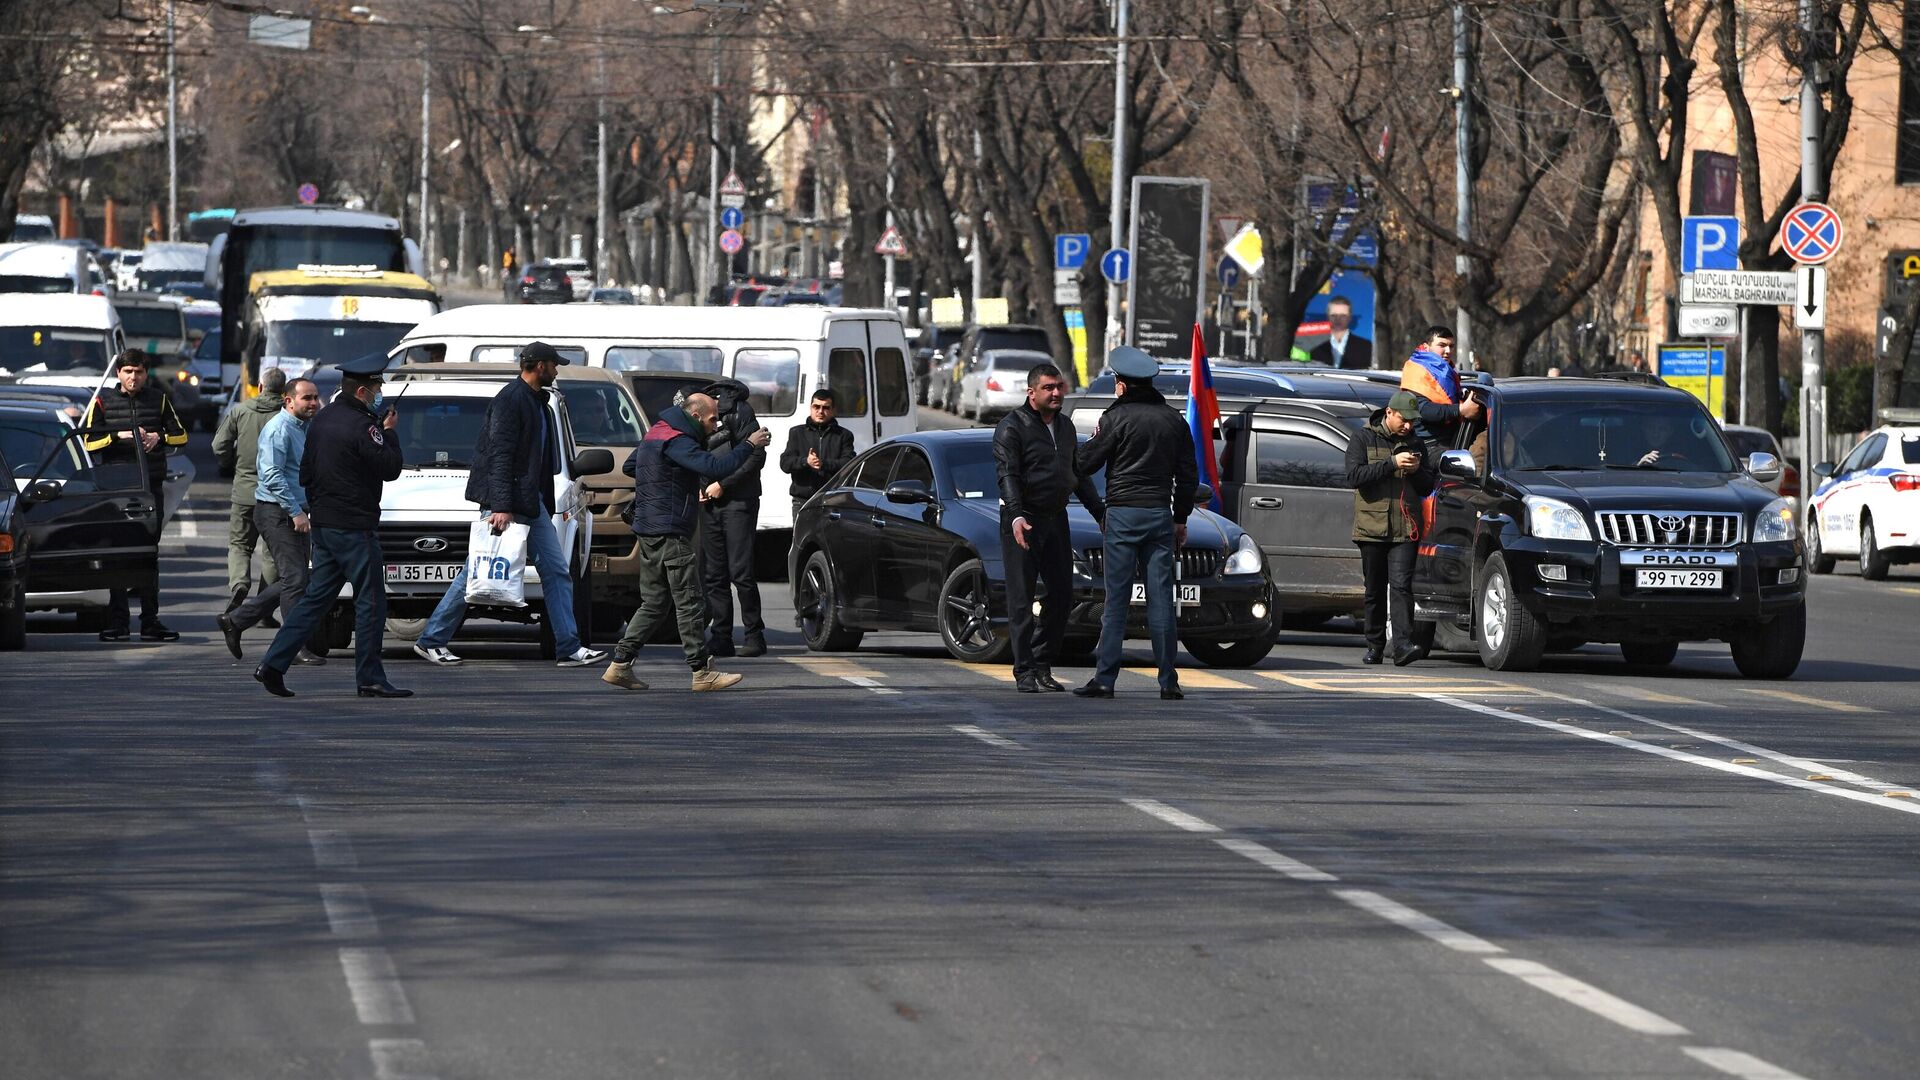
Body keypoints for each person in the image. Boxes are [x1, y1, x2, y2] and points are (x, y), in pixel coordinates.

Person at [411, 342, 608, 669]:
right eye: (553, 365)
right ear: (539, 366)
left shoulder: (538, 403)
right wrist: (501, 506)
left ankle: (569, 648)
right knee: (475, 573)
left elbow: (537, 462)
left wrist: (538, 502)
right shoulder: (510, 401)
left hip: (531, 504)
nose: (557, 370)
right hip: (506, 503)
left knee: (557, 572)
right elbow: (500, 457)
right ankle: (432, 640)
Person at [252, 352, 409, 699]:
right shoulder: (365, 427)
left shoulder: (321, 421)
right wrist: (390, 434)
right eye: (377, 386)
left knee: (315, 599)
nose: (380, 390)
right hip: (354, 527)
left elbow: (305, 473)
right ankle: (370, 677)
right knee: (371, 601)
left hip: (324, 525)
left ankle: (273, 664)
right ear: (363, 392)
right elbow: (391, 468)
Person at [602, 392, 771, 693]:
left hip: (648, 529)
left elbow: (632, 466)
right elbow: (715, 468)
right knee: (690, 601)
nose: (716, 423)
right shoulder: (678, 440)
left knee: (654, 603)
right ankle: (702, 671)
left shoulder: (657, 432)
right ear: (695, 416)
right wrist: (749, 445)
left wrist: (665, 478)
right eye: (712, 418)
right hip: (669, 530)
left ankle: (620, 665)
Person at [1071, 346, 1197, 700]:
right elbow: (1188, 476)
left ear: (1122, 385)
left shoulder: (1115, 419)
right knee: (1161, 600)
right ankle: (1168, 680)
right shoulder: (1175, 421)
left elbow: (1084, 465)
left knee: (1117, 600)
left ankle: (1105, 679)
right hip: (1159, 516)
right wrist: (1181, 518)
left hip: (1122, 515)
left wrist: (1097, 507)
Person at [995, 362, 1106, 694]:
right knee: (1021, 597)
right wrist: (1015, 515)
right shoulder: (1011, 428)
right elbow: (1008, 475)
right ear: (1032, 393)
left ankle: (1042, 663)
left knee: (1062, 594)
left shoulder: (1066, 427)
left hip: (1056, 518)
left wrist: (1100, 512)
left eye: (1059, 386)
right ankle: (1024, 670)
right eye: (1048, 388)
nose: (1057, 393)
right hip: (1022, 519)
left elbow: (1078, 473)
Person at [80, 351, 189, 642]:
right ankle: (119, 622)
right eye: (128, 371)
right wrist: (119, 436)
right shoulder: (102, 400)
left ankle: (150, 621)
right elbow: (88, 442)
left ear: (146, 374)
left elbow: (181, 436)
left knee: (148, 555)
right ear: (118, 373)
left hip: (150, 489)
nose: (133, 377)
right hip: (116, 489)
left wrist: (159, 438)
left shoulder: (158, 399)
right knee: (118, 555)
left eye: (139, 372)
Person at [218, 377, 327, 664]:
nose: (314, 402)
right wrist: (296, 512)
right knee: (296, 579)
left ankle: (237, 620)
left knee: (299, 579)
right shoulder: (278, 429)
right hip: (276, 511)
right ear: (288, 401)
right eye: (307, 398)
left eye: (316, 397)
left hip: (295, 510)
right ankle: (291, 646)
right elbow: (272, 476)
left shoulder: (303, 428)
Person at [1346, 390, 1436, 667]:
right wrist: (1391, 464)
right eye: (1404, 420)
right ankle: (1374, 645)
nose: (1408, 426)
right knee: (1374, 589)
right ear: (1389, 413)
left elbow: (1427, 486)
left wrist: (1417, 470)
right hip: (1371, 527)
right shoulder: (1362, 438)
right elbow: (1354, 476)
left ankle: (1402, 646)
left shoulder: (1416, 443)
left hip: (1405, 527)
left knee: (1401, 587)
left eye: (1412, 421)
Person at [695, 376, 768, 658]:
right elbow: (694, 455)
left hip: (738, 501)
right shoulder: (697, 415)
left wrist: (722, 485)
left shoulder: (740, 411)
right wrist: (700, 488)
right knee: (714, 574)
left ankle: (754, 635)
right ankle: (721, 636)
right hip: (709, 501)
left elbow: (755, 456)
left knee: (741, 572)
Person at [212, 365, 286, 614]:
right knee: (271, 552)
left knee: (240, 544)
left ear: (261, 387)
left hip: (245, 490)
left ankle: (239, 584)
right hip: (277, 494)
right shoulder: (287, 416)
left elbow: (219, 445)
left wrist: (230, 465)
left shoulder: (240, 411)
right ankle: (262, 607)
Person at [1399, 323, 1482, 453]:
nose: (1448, 351)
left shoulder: (1446, 370)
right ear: (1426, 347)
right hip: (1429, 445)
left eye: (1451, 346)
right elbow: (1423, 410)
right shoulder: (1417, 370)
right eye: (1442, 345)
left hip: (1451, 439)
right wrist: (1460, 410)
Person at [779, 387, 856, 517]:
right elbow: (785, 463)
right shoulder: (797, 433)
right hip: (803, 501)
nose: (820, 411)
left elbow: (849, 464)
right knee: (803, 538)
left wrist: (824, 464)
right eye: (817, 407)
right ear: (811, 408)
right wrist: (805, 462)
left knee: (831, 538)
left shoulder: (844, 435)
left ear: (833, 410)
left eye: (826, 408)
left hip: (833, 501)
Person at [1309, 297, 1375, 370]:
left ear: (1350, 317)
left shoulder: (1365, 347)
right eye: (1334, 315)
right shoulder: (1315, 345)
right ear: (1328, 316)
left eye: (1343, 315)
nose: (1338, 319)